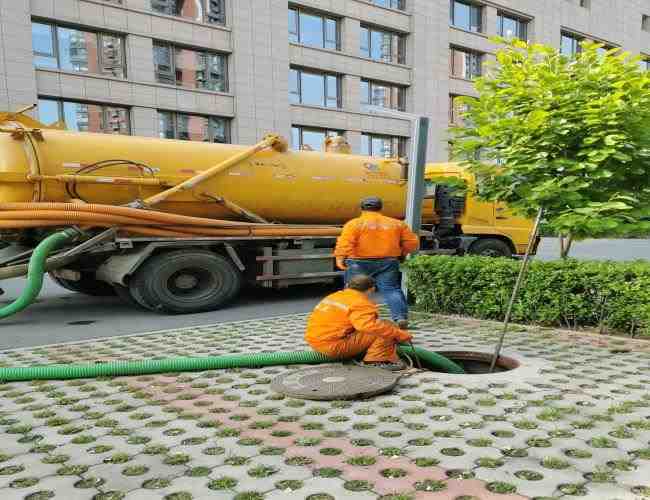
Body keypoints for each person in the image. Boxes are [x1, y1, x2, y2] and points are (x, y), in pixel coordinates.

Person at [334, 196, 419, 329]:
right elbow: (412, 242)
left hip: (358, 262)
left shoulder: (354, 224)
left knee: (354, 292)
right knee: (391, 290)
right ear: (380, 208)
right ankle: (400, 318)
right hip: (388, 261)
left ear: (362, 208)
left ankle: (352, 320)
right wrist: (402, 253)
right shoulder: (397, 224)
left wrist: (340, 257)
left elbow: (345, 242)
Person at [305, 275, 413, 371]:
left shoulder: (335, 296)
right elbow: (369, 327)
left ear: (348, 286)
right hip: (333, 346)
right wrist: (400, 334)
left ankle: (373, 353)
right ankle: (377, 362)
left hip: (315, 342)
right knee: (385, 328)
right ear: (372, 289)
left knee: (382, 325)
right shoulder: (361, 303)